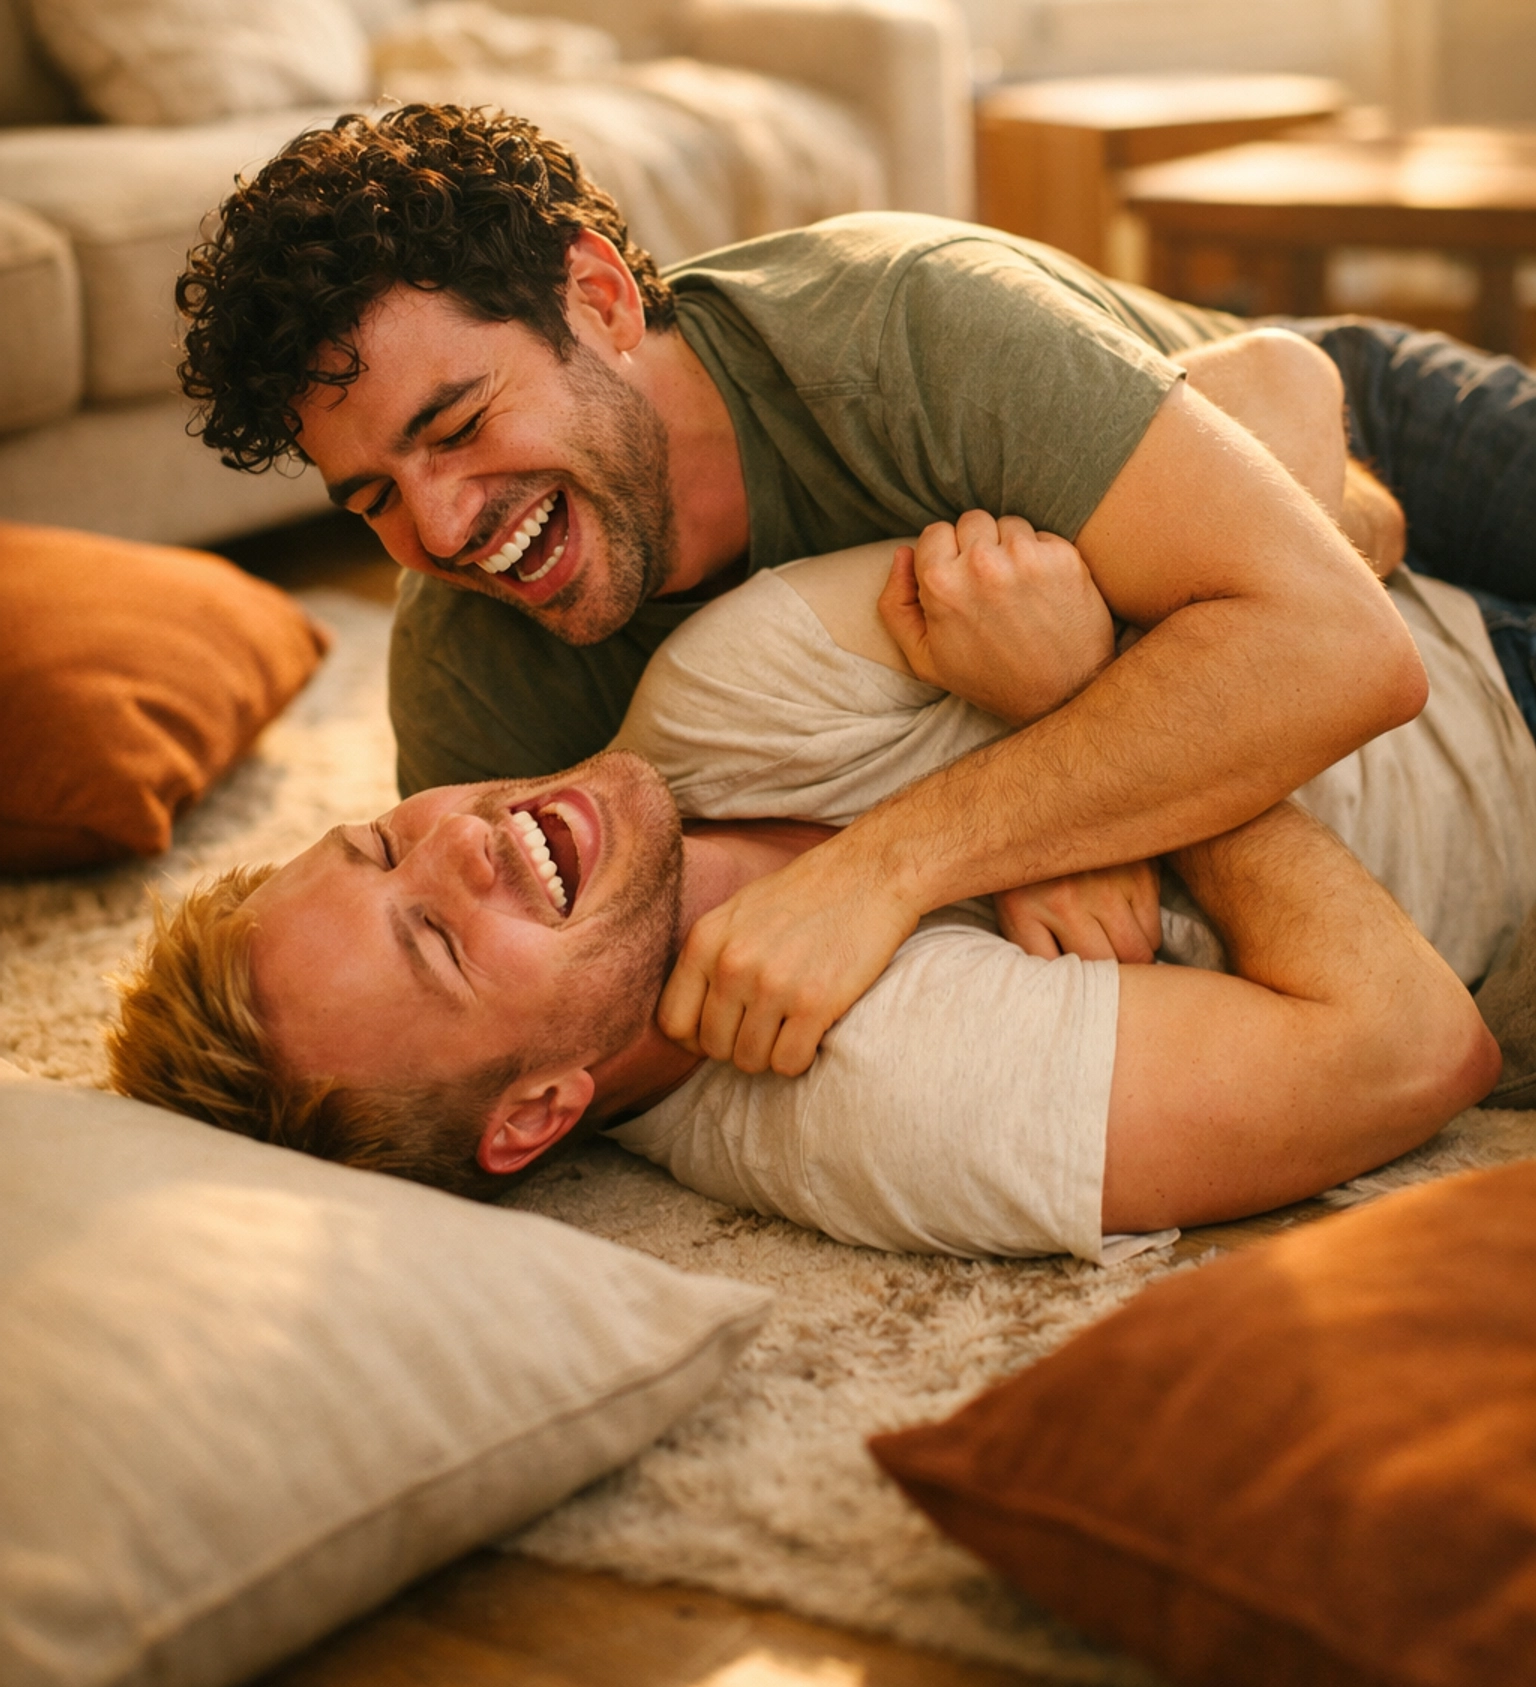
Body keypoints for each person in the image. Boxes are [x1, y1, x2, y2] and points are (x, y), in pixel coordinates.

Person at [172, 102, 1533, 1065]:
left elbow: (1339, 652)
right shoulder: (473, 670)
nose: (446, 531)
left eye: (458, 428)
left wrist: (912, 861)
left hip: (1349, 427)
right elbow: (547, 1021)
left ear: (598, 299)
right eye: (373, 502)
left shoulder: (899, 331)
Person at [108, 531, 1508, 1262]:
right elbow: (1414, 1047)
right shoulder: (879, 1102)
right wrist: (1091, 717)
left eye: (373, 844)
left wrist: (1046, 788)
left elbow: (1161, 527)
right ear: (536, 1111)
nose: (457, 844)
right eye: (436, 944)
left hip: (1397, 558)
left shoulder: (720, 690)